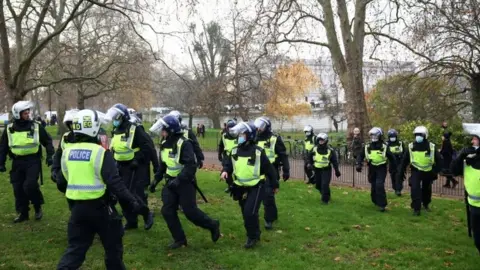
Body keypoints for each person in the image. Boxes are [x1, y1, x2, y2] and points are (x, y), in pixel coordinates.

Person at [54, 109, 145, 270]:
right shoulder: (100, 153)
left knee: (75, 251)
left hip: (77, 210)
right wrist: (132, 202)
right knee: (113, 251)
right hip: (102, 209)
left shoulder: (67, 152)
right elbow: (115, 183)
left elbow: (62, 182)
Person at [148, 115, 220, 249]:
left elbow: (190, 166)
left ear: (170, 130)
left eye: (163, 129)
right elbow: (163, 165)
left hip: (185, 183)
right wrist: (156, 180)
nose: (161, 132)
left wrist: (179, 179)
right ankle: (180, 239)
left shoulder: (184, 143)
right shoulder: (164, 144)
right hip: (170, 182)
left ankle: (212, 225)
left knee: (190, 212)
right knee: (167, 211)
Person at [220, 121, 277, 248]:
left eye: (242, 134)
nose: (239, 136)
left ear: (249, 135)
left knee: (249, 212)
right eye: (239, 134)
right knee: (246, 212)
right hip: (239, 187)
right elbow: (228, 164)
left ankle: (251, 237)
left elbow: (269, 170)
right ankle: (255, 233)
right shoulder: (234, 151)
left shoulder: (258, 152)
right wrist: (224, 171)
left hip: (257, 186)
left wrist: (274, 185)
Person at [0, 101, 54, 222]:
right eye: (25, 112)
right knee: (18, 188)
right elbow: (3, 147)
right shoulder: (9, 129)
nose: (28, 114)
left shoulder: (35, 126)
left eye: (28, 112)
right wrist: (1, 162)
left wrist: (50, 156)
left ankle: (37, 206)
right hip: (17, 162)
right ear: (18, 114)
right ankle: (23, 213)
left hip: (32, 161)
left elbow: (48, 141)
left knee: (30, 185)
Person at [106, 103, 154, 230]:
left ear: (123, 117)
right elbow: (114, 148)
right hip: (120, 166)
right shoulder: (115, 131)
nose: (114, 120)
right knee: (121, 195)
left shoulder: (134, 129)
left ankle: (146, 213)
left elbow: (147, 147)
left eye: (117, 117)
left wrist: (137, 159)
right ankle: (131, 221)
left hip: (134, 166)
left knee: (133, 194)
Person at [397, 126, 443, 216]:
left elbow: (440, 160)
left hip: (428, 171)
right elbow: (404, 160)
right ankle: (416, 208)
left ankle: (426, 204)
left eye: (420, 135)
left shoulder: (431, 147)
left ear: (425, 135)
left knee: (427, 189)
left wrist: (436, 171)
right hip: (416, 170)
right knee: (415, 189)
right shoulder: (411, 146)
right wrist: (401, 172)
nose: (418, 136)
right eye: (416, 135)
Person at [253, 116, 290, 230]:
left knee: (268, 195)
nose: (259, 129)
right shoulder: (254, 138)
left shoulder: (274, 138)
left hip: (271, 171)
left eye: (261, 127)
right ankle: (271, 215)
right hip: (257, 170)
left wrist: (286, 170)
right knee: (258, 195)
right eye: (258, 127)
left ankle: (269, 219)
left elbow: (283, 155)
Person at [450, 123, 480, 255]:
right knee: (478, 240)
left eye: (475, 138)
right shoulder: (469, 159)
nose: (472, 141)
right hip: (474, 205)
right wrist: (460, 156)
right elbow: (453, 171)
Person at [356, 127, 396, 212]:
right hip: (371, 168)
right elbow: (360, 155)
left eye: (375, 135)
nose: (373, 137)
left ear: (379, 136)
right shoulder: (367, 146)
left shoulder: (384, 146)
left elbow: (392, 158)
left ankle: (382, 205)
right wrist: (358, 164)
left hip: (381, 168)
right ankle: (375, 200)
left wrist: (394, 168)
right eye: (372, 135)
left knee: (379, 185)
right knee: (373, 186)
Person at [307, 133, 341, 204]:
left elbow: (334, 161)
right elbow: (309, 157)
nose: (320, 141)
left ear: (326, 141)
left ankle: (325, 200)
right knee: (318, 185)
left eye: (322, 140)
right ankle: (326, 195)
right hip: (317, 170)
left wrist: (337, 171)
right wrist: (310, 163)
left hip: (326, 170)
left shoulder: (330, 150)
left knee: (325, 184)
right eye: (319, 140)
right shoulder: (314, 149)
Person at [51, 109, 79, 183]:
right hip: (67, 171)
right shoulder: (65, 137)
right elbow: (59, 154)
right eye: (71, 124)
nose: (73, 126)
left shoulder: (88, 138)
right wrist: (54, 169)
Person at [218, 119, 238, 192]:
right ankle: (231, 186)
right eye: (229, 128)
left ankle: (238, 186)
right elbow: (221, 146)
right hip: (227, 156)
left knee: (237, 172)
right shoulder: (224, 135)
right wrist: (219, 155)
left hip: (237, 156)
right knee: (225, 172)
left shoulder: (239, 135)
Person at [386, 129, 406, 196]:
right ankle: (395, 188)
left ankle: (398, 190)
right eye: (391, 136)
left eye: (393, 136)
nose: (392, 138)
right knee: (393, 176)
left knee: (399, 176)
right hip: (391, 163)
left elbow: (405, 152)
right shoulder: (387, 144)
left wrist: (400, 155)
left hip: (399, 162)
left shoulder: (400, 143)